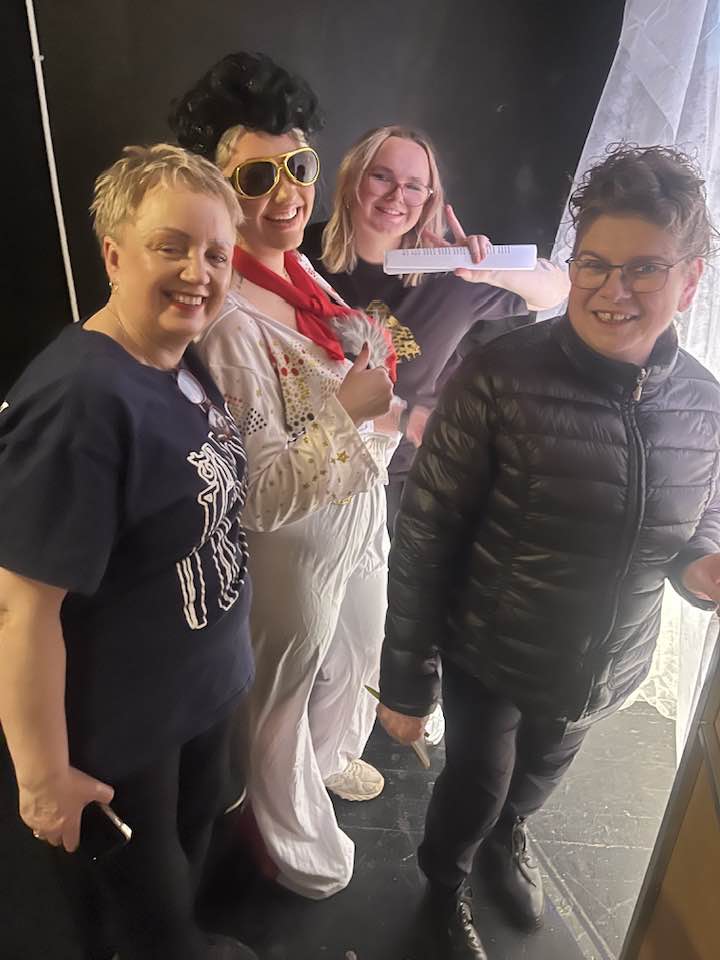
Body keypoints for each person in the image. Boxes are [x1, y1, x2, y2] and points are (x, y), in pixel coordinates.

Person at [377, 144, 720, 959]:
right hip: (489, 650)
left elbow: (700, 517)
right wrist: (406, 679)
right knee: (476, 784)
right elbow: (426, 532)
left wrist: (700, 569)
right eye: (594, 264)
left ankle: (510, 838)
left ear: (690, 280)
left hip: (607, 662)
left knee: (537, 779)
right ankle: (444, 885)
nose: (611, 290)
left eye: (643, 269)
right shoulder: (498, 377)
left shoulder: (705, 403)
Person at [0, 144, 258, 960]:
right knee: (152, 929)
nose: (197, 272)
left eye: (215, 253)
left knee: (187, 880)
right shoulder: (79, 401)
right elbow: (22, 610)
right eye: (170, 246)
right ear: (114, 256)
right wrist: (44, 780)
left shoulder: (179, 357)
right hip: (124, 739)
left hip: (196, 702)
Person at [170, 52, 398, 900]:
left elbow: (330, 380)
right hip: (293, 540)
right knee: (279, 700)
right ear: (218, 191)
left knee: (360, 650)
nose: (289, 192)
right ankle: (285, 842)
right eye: (256, 177)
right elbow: (257, 495)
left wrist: (362, 384)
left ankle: (327, 762)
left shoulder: (296, 268)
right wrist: (350, 407)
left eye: (297, 165)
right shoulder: (229, 319)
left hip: (357, 503)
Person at [302, 124, 571, 536]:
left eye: (414, 186)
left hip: (404, 480)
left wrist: (487, 268)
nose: (397, 196)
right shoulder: (301, 254)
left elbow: (554, 291)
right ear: (353, 178)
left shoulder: (449, 268)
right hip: (311, 459)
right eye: (382, 177)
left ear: (429, 198)